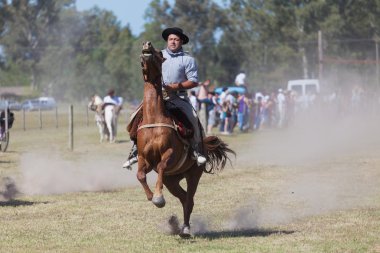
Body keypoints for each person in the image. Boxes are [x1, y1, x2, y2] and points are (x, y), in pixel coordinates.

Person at [123, 27, 207, 169]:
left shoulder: (187, 60)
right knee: (134, 118)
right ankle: (135, 151)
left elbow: (193, 81)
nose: (173, 42)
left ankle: (196, 150)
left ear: (181, 42)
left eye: (176, 39)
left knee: (192, 117)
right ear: (167, 41)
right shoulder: (159, 55)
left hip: (177, 98)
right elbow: (146, 63)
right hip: (155, 98)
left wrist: (173, 87)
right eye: (170, 39)